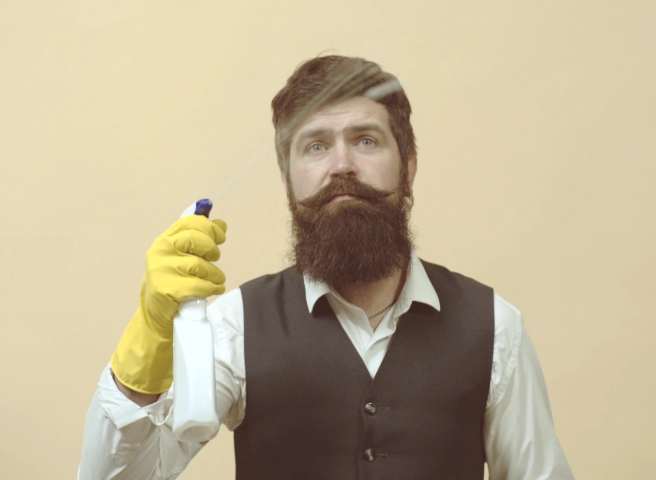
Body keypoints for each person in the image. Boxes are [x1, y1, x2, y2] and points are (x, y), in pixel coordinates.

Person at [78, 55, 574, 479]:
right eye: (315, 145)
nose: (341, 165)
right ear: (287, 178)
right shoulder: (234, 325)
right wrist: (145, 346)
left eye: (366, 141)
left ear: (410, 168)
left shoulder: (494, 326)